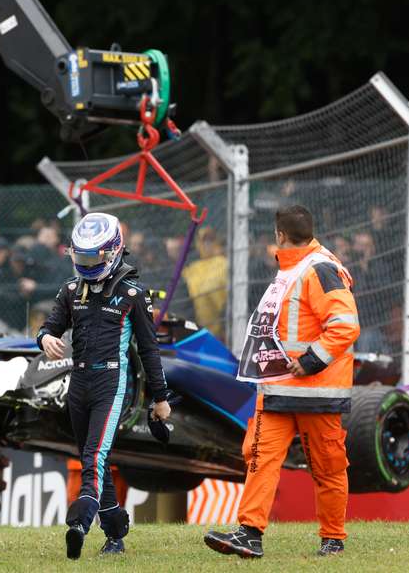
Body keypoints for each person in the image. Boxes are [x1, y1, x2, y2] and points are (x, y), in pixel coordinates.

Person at [205, 205, 360, 558]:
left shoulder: (319, 268)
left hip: (316, 391)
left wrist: (309, 361)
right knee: (258, 455)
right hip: (278, 389)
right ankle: (249, 534)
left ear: (279, 235)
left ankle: (333, 539)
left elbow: (346, 325)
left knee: (327, 467)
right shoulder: (295, 268)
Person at [36, 212, 171, 559]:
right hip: (77, 382)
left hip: (112, 383)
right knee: (92, 457)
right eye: (79, 257)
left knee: (94, 458)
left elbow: (149, 349)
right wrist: (46, 338)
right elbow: (49, 326)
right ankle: (115, 533)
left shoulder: (134, 294)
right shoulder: (70, 289)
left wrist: (160, 398)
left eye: (91, 258)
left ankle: (78, 524)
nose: (84, 264)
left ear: (112, 253)